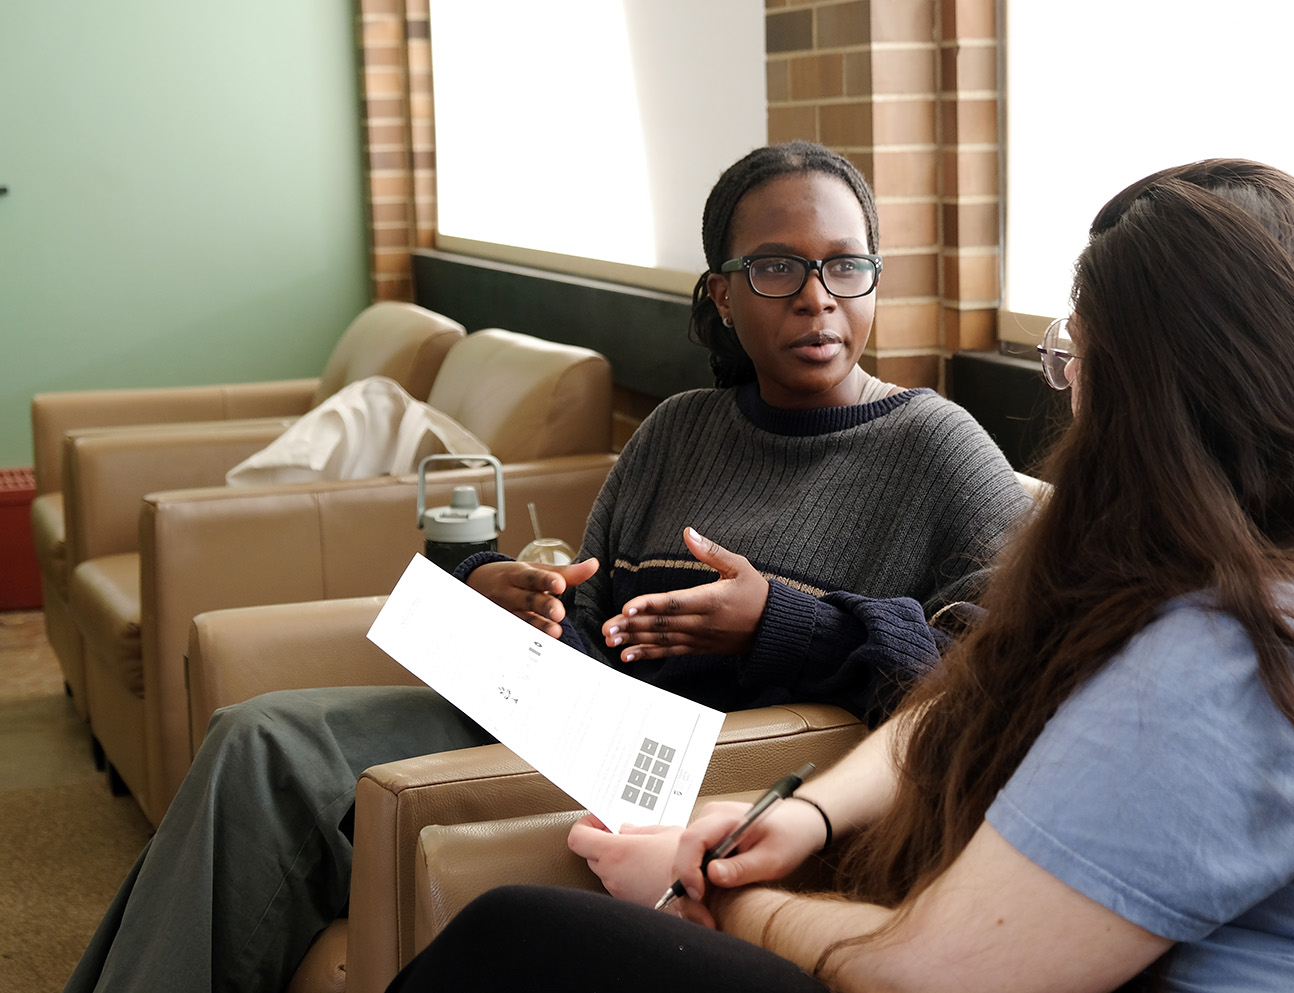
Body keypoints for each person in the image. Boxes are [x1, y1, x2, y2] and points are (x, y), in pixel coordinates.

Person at [385, 159, 1294, 993]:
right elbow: (985, 684)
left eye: (1076, 362)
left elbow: (928, 973)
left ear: (1151, 397)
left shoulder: (1240, 660)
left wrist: (726, 894)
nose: (1068, 397)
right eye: (776, 270)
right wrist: (807, 817)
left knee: (516, 937)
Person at [64, 141, 1031, 993]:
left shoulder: (937, 447)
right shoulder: (679, 429)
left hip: (697, 770)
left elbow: (995, 674)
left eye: (845, 267)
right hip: (569, 713)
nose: (818, 296)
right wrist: (506, 592)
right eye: (777, 267)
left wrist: (780, 620)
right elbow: (593, 601)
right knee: (249, 736)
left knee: (271, 755)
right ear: (722, 293)